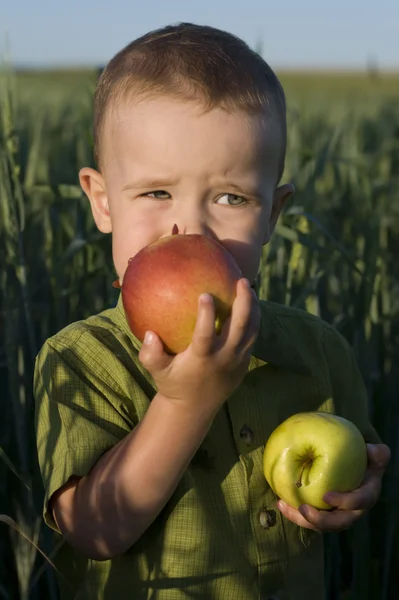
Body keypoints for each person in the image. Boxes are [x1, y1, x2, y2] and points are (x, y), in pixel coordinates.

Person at [33, 22, 390, 600]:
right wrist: (184, 402)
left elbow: (362, 459)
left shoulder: (316, 350)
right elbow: (94, 529)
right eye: (155, 193)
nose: (191, 228)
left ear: (273, 214)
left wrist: (357, 489)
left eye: (231, 198)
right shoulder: (80, 361)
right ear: (102, 201)